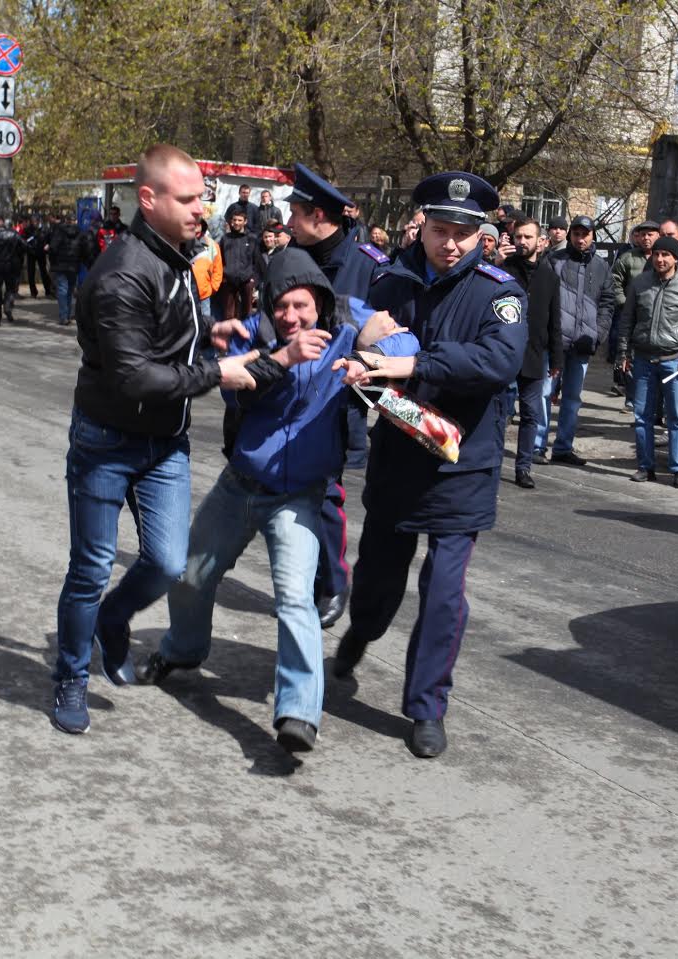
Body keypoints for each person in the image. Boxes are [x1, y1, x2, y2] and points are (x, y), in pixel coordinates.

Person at [134, 248, 418, 753]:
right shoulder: (254, 334)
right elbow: (230, 384)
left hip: (300, 498)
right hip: (239, 484)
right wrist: (281, 357)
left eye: (302, 306)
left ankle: (299, 714)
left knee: (294, 599)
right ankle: (182, 650)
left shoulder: (345, 336)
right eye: (281, 306)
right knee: (190, 572)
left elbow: (405, 342)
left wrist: (371, 353)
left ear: (320, 304)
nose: (291, 316)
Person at [50, 144, 261, 736]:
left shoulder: (179, 254)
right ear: (149, 199)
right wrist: (218, 373)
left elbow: (167, 332)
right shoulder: (122, 273)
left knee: (169, 562)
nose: (203, 210)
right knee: (90, 567)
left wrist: (210, 333)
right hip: (107, 440)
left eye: (203, 197)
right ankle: (70, 675)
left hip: (164, 440)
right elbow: (134, 375)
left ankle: (111, 622)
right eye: (189, 199)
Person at [332, 171, 528, 759]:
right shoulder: (392, 283)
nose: (452, 244)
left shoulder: (501, 293)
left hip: (462, 467)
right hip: (399, 456)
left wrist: (410, 363)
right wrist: (367, 373)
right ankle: (360, 635)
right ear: (424, 227)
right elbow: (362, 361)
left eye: (465, 233)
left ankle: (426, 707)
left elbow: (496, 362)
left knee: (444, 593)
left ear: (482, 235)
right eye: (442, 230)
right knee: (376, 580)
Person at [284, 161, 393, 626]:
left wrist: (362, 356)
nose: (287, 222)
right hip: (289, 395)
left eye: (295, 213)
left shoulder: (371, 266)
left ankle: (332, 582)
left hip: (338, 401)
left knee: (325, 490)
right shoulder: (291, 258)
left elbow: (389, 336)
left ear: (318, 216)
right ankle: (310, 577)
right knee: (295, 490)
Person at [617, 236, 678, 488]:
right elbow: (627, 321)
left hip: (675, 362)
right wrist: (623, 354)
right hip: (643, 360)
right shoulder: (639, 284)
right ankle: (645, 466)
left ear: (676, 258)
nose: (661, 259)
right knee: (642, 415)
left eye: (666, 254)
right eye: (657, 254)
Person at [546, 214, 615, 467]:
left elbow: (608, 302)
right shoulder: (554, 260)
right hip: (555, 342)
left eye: (585, 234)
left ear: (592, 235)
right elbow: (543, 297)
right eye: (576, 233)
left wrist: (599, 333)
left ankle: (563, 448)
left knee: (572, 399)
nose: (580, 238)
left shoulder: (600, 266)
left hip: (583, 344)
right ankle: (537, 446)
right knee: (545, 394)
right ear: (569, 235)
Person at [505, 215, 562, 488]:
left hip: (535, 355)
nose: (522, 242)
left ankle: (523, 467)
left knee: (531, 414)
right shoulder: (503, 269)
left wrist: (556, 358)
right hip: (502, 352)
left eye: (528, 237)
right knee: (496, 411)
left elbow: (555, 320)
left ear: (540, 241)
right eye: (519, 237)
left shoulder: (549, 276)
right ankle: (489, 461)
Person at [609, 220, 658, 397]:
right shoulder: (628, 258)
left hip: (657, 320)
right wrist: (624, 303)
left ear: (658, 236)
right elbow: (614, 282)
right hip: (631, 317)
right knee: (627, 357)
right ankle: (631, 397)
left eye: (650, 234)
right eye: (642, 234)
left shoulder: (663, 257)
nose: (646, 238)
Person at [218, 210, 261, 321]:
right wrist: (223, 277)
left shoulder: (252, 239)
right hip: (228, 280)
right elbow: (220, 259)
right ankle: (229, 337)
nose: (236, 222)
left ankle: (247, 336)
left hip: (246, 280)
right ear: (231, 221)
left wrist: (253, 280)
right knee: (228, 314)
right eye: (234, 220)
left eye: (239, 220)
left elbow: (257, 261)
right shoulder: (225, 239)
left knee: (247, 312)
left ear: (245, 221)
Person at [0, 214, 24, 326]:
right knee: (10, 289)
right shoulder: (13, 234)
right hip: (10, 266)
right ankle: (7, 306)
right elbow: (24, 246)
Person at [46, 211, 83, 325]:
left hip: (60, 265)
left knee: (62, 290)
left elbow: (53, 247)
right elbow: (83, 248)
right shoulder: (80, 232)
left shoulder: (59, 231)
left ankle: (64, 316)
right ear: (75, 221)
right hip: (73, 265)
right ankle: (67, 314)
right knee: (70, 291)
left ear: (66, 220)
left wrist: (52, 261)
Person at [190, 219, 223, 321]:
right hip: (187, 294)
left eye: (198, 224)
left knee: (206, 323)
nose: (196, 228)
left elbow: (218, 269)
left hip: (204, 293)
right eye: (193, 225)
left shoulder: (212, 245)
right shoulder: (181, 243)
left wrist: (213, 287)